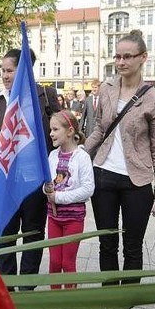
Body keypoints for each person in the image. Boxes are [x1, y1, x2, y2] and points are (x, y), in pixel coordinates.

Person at [84, 29, 155, 309]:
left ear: (142, 58)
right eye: (117, 56)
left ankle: (124, 306)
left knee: (132, 248)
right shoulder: (106, 89)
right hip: (103, 176)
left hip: (138, 182)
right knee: (107, 243)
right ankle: (110, 300)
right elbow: (99, 129)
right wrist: (80, 156)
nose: (120, 61)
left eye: (127, 56)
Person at [0, 48, 61, 284]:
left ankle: (27, 286)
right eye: (2, 70)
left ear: (24, 70)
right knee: (6, 234)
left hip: (36, 182)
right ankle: (8, 287)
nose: (5, 75)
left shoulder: (44, 95)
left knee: (33, 236)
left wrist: (59, 172)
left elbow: (59, 131)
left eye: (10, 70)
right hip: (5, 180)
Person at [44, 110, 94, 289]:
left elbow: (88, 189)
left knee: (67, 262)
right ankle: (54, 299)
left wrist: (59, 197)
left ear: (70, 131)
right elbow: (48, 182)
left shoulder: (82, 157)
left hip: (73, 219)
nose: (51, 133)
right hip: (54, 218)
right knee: (55, 262)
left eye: (55, 129)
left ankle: (69, 298)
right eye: (51, 129)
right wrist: (46, 189)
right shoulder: (52, 156)